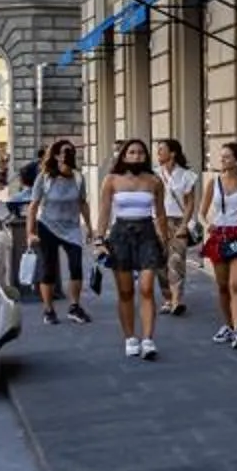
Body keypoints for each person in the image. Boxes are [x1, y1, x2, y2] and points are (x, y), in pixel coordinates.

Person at [93, 140, 173, 361]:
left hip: (147, 234)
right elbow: (104, 212)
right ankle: (130, 338)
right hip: (120, 235)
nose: (137, 156)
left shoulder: (154, 181)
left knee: (147, 288)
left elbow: (161, 213)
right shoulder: (111, 180)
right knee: (126, 292)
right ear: (124, 155)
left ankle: (148, 339)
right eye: (132, 152)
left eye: (140, 153)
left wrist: (164, 240)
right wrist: (99, 240)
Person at [200, 141, 237, 351]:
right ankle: (228, 325)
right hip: (220, 236)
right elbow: (202, 211)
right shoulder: (213, 182)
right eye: (221, 156)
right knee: (223, 287)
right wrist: (208, 224)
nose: (222, 160)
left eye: (226, 157)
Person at [30, 140, 91, 323]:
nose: (69, 154)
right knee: (48, 269)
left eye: (71, 151)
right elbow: (33, 206)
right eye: (65, 152)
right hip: (47, 226)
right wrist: (30, 233)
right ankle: (48, 310)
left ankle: (74, 307)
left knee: (76, 266)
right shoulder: (45, 178)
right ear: (56, 155)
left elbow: (82, 203)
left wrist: (89, 227)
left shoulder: (79, 178)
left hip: (71, 228)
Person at [153, 139, 200, 319]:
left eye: (161, 150)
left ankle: (176, 300)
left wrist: (183, 225)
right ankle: (167, 297)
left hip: (179, 221)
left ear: (172, 153)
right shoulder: (154, 174)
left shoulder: (187, 175)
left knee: (177, 260)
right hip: (158, 221)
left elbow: (190, 203)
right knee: (161, 261)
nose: (158, 153)